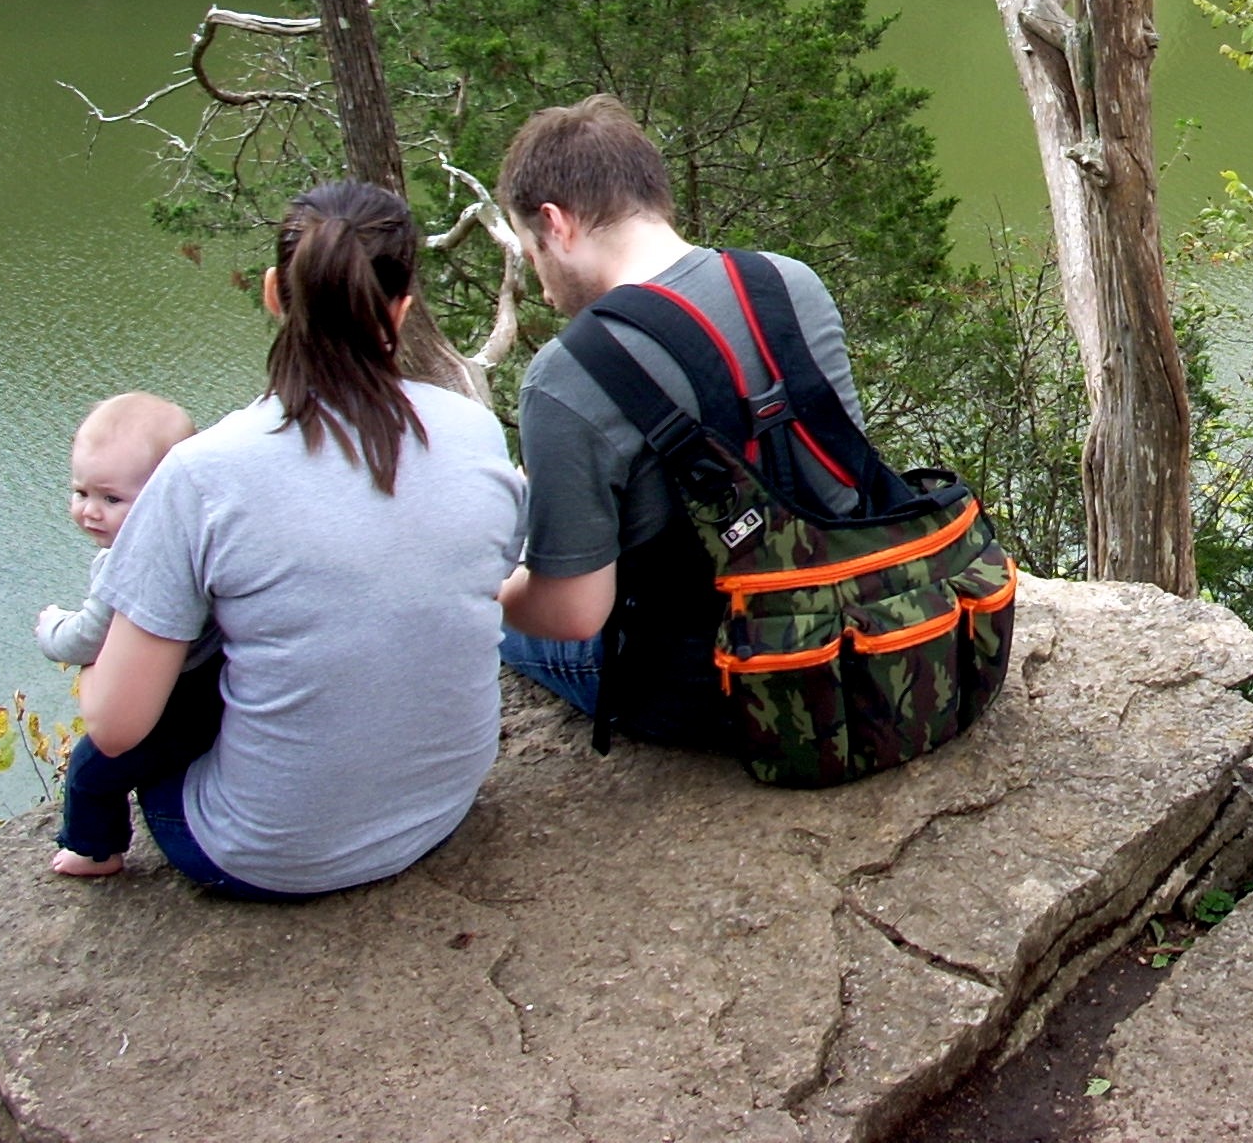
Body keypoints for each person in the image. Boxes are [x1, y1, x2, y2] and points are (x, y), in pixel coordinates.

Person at [75, 182, 524, 900]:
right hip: (441, 807)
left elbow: (116, 726)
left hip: (263, 853)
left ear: (274, 295)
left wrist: (88, 645)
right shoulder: (472, 431)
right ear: (402, 307)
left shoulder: (202, 473)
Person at [492, 95, 874, 749]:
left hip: (719, 683)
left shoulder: (566, 373)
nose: (544, 285)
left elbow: (574, 614)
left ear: (556, 225)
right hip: (859, 615)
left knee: (489, 620)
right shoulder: (789, 282)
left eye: (530, 252)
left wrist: (484, 583)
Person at [37, 392, 225, 880]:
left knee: (90, 773)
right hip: (219, 685)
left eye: (112, 499)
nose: (90, 512)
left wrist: (50, 629)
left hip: (172, 702)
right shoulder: (207, 536)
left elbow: (89, 637)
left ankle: (95, 850)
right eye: (81, 493)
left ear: (163, 493)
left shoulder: (128, 562)